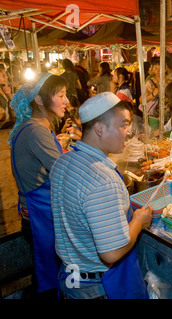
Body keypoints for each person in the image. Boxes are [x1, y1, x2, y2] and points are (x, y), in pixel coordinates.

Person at [50, 92, 152, 299]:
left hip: (70, 278)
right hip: (97, 287)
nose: (129, 132)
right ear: (99, 128)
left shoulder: (62, 162)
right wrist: (139, 221)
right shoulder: (102, 180)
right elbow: (111, 253)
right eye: (123, 125)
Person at [8, 73, 68, 298]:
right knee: (48, 275)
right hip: (39, 213)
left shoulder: (34, 126)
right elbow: (64, 170)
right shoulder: (36, 131)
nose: (66, 101)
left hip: (37, 210)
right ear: (40, 100)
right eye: (60, 95)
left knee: (45, 270)